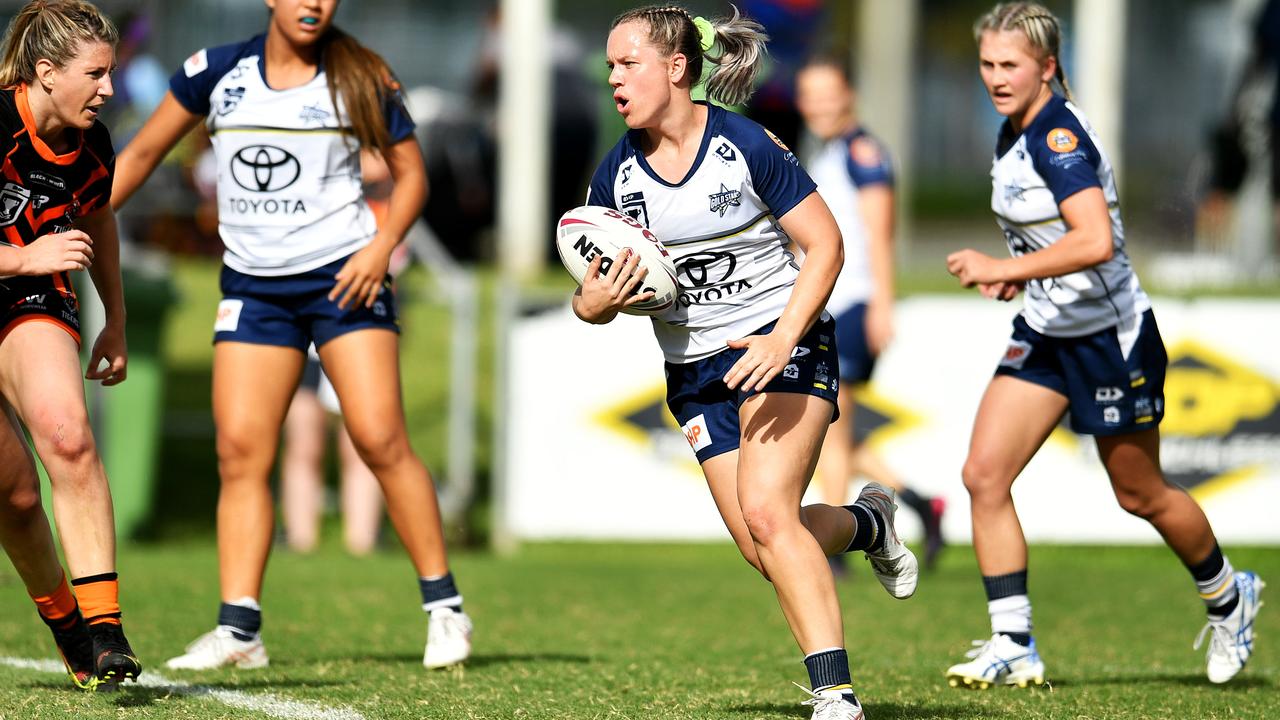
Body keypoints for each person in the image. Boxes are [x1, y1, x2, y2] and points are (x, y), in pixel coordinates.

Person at [111, 0, 472, 671]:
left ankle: (445, 609)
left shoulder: (360, 74)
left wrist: (383, 244)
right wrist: (74, 223)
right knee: (239, 452)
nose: (314, 3)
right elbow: (139, 152)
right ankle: (240, 630)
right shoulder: (215, 72)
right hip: (254, 290)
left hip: (345, 281)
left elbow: (413, 174)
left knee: (378, 438)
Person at [580, 7, 918, 719]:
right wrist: (596, 302)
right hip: (695, 375)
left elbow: (825, 247)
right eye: (610, 65)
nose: (613, 77)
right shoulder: (617, 174)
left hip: (783, 342)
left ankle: (836, 696)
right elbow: (587, 299)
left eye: (627, 63)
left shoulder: (744, 144)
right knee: (765, 544)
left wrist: (781, 338)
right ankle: (869, 525)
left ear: (675, 68)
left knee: (769, 513)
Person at [943, 2, 1265, 689]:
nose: (995, 77)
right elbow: (1049, 240)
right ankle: (1014, 643)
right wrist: (1020, 275)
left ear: (1048, 67)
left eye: (1010, 65)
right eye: (987, 64)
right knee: (983, 475)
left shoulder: (1058, 138)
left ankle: (1230, 598)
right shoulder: (1013, 128)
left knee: (1140, 493)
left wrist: (1004, 269)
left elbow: (1095, 241)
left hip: (1109, 339)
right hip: (1047, 332)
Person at [0, 0, 141, 689]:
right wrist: (21, 257)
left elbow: (97, 218)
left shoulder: (94, 145)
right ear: (47, 72)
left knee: (69, 434)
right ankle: (66, 627)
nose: (110, 89)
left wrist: (114, 317)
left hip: (30, 299)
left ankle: (106, 630)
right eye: (98, 74)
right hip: (19, 271)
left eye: (111, 74)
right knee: (16, 495)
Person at [793, 55, 945, 575]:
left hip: (852, 304)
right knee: (828, 426)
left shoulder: (863, 153)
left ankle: (833, 550)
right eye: (808, 95)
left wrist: (883, 303)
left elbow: (880, 235)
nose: (817, 105)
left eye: (827, 93)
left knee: (830, 429)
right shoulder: (829, 152)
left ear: (849, 96)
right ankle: (921, 503)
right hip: (825, 306)